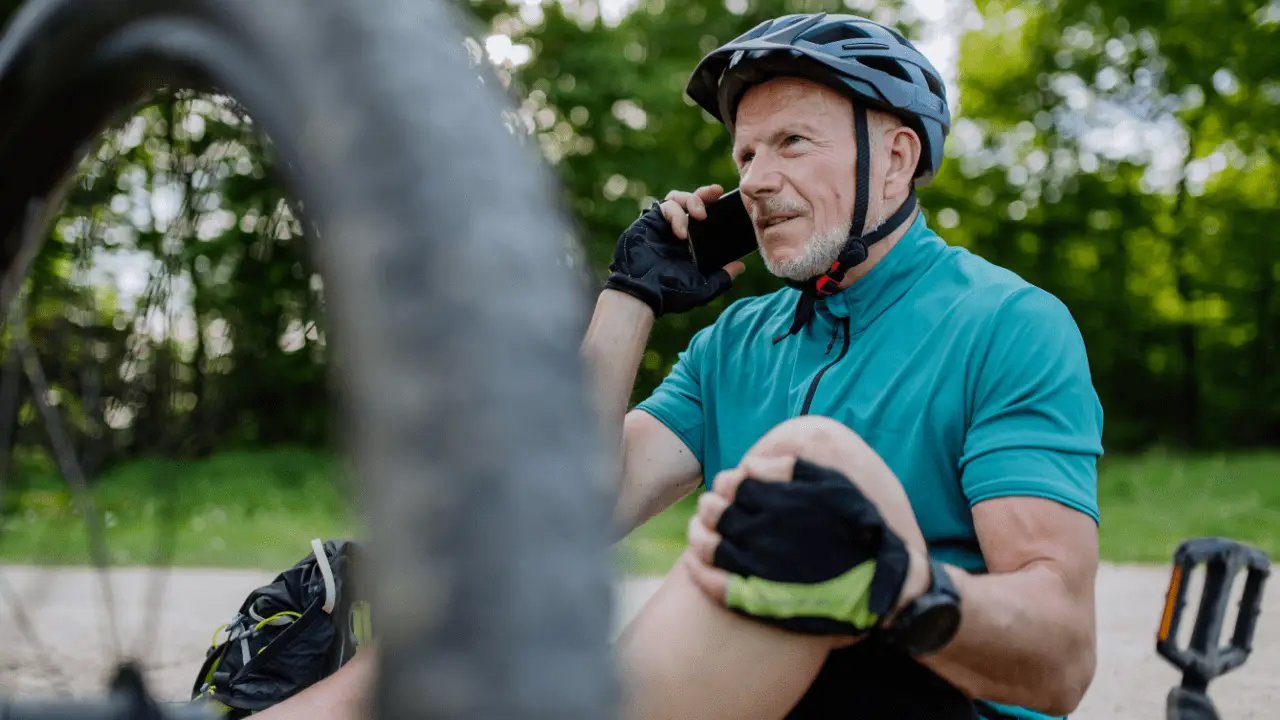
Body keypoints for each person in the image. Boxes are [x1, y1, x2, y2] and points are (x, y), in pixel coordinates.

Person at [252, 12, 1104, 720]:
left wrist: (900, 587)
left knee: (810, 466)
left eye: (792, 143)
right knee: (491, 592)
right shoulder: (737, 343)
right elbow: (558, 517)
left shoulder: (1007, 323)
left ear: (896, 159)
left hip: (930, 703)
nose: (758, 179)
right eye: (744, 156)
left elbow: (1060, 657)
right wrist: (630, 296)